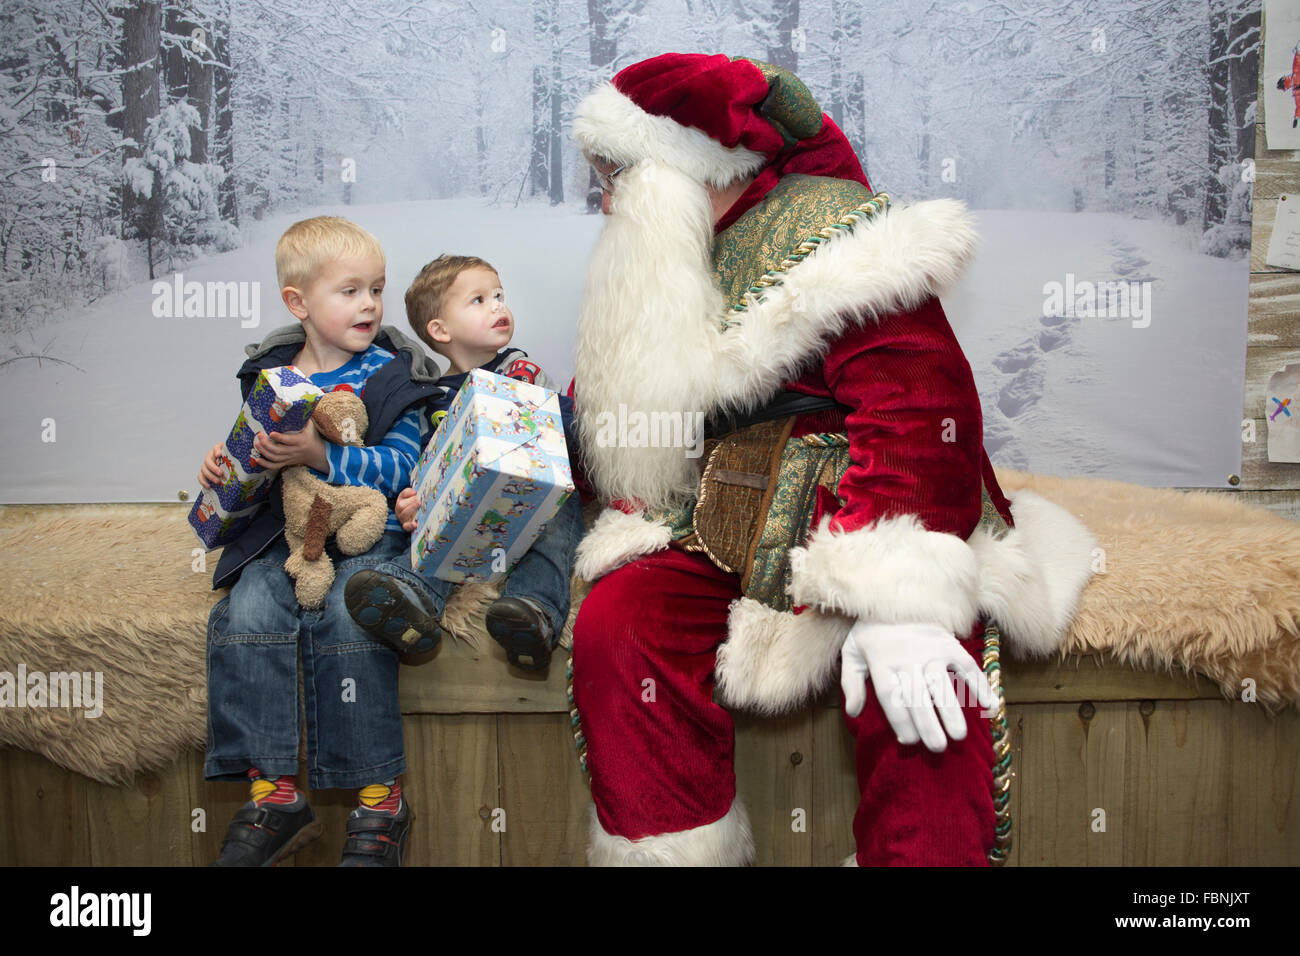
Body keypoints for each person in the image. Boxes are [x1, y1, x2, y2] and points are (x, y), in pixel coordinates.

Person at [565, 53, 1098, 865]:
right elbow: (621, 409)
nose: (606, 200)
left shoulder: (832, 230)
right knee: (619, 624)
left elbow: (921, 408)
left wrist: (896, 594)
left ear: (680, 168)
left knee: (920, 681)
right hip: (719, 521)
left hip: (865, 506)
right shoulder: (664, 251)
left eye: (616, 176)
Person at [199, 215, 443, 867]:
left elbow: (402, 468)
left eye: (377, 289)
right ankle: (272, 793)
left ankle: (379, 802)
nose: (369, 304)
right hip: (287, 538)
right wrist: (223, 466)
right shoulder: (269, 374)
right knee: (248, 608)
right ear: (298, 302)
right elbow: (249, 457)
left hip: (366, 535)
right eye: (351, 290)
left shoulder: (394, 375)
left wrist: (322, 455)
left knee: (347, 617)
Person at [343, 254, 584, 672]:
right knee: (434, 526)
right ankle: (410, 597)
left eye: (499, 295)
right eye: (478, 300)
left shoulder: (521, 370)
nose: (497, 306)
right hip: (472, 513)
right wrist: (410, 502)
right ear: (440, 330)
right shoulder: (433, 398)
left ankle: (534, 611)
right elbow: (424, 466)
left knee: (560, 516)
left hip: (533, 499)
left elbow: (576, 429)